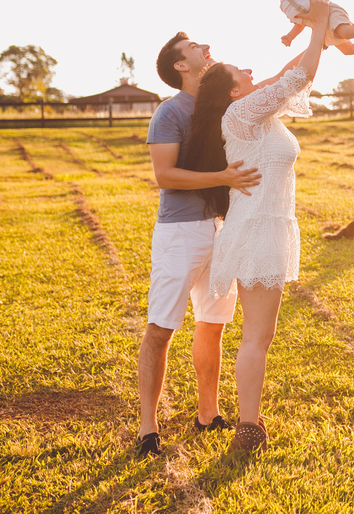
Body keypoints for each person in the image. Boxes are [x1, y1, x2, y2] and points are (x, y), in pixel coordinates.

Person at [181, 0, 332, 456]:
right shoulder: (242, 113)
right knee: (257, 338)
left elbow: (292, 73)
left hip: (263, 227)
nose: (250, 71)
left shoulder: (256, 113)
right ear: (232, 91)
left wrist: (317, 33)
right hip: (257, 232)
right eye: (241, 72)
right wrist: (322, 20)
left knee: (258, 337)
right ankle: (248, 428)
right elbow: (298, 76)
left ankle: (249, 425)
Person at [136, 33, 262, 459]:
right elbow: (165, 176)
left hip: (222, 228)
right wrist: (223, 178)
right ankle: (147, 429)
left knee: (213, 323)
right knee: (161, 329)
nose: (205, 47)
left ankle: (207, 413)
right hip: (180, 233)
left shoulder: (225, 105)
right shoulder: (168, 113)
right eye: (194, 47)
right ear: (180, 65)